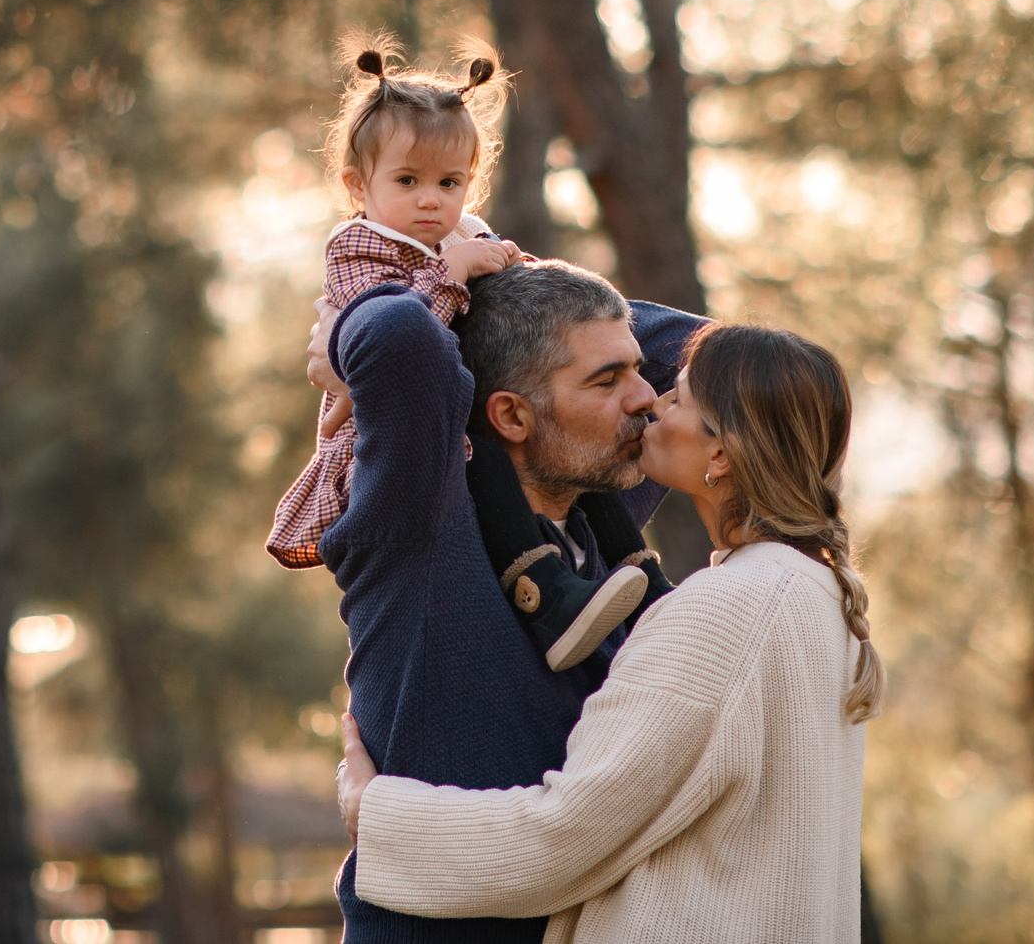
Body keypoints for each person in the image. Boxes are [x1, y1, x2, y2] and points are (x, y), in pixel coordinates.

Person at [336, 323, 885, 944]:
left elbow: (563, 837)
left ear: (722, 455)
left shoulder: (722, 612)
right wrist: (467, 282)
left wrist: (374, 813)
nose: (650, 400)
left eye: (675, 397)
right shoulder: (815, 593)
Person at [313, 259, 698, 944]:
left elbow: (699, 351)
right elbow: (400, 335)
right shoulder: (421, 519)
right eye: (606, 379)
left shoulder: (602, 522)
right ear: (512, 415)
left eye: (633, 369)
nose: (646, 396)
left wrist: (510, 265)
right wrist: (435, 272)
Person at [265, 41, 662, 668]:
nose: (431, 200)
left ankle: (638, 578)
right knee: (484, 468)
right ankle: (544, 591)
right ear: (356, 184)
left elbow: (535, 295)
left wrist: (510, 267)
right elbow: (395, 340)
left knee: (583, 437)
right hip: (395, 445)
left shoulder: (463, 234)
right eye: (408, 181)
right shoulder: (359, 250)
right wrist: (452, 273)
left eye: (449, 183)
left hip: (465, 417)